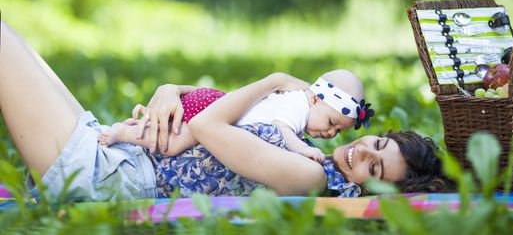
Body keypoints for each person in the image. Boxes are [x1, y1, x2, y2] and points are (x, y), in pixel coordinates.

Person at [0, 20, 449, 201]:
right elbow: (217, 108)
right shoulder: (308, 147)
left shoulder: (309, 176)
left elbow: (205, 123)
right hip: (115, 155)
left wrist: (273, 80)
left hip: (109, 177)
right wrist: (170, 89)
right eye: (376, 144)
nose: (359, 153)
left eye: (374, 170)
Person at [97, 69, 372, 163]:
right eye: (331, 123)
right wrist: (303, 150)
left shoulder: (296, 100)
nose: (330, 133)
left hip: (216, 101)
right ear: (315, 98)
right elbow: (280, 129)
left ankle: (135, 127)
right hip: (211, 110)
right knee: (172, 145)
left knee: (169, 131)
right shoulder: (298, 108)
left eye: (338, 132)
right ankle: (123, 133)